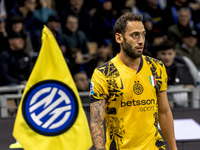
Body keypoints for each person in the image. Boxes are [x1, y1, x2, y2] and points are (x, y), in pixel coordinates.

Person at [89, 13, 177, 150]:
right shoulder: (103, 74)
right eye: (134, 35)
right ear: (119, 38)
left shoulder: (156, 67)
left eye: (143, 34)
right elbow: (96, 121)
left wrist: (173, 148)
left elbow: (164, 112)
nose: (141, 40)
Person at [156, 40, 195, 108]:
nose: (167, 57)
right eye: (163, 54)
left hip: (186, 99)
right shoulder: (153, 66)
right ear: (158, 54)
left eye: (169, 53)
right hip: (163, 99)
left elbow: (193, 83)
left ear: (174, 53)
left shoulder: (184, 62)